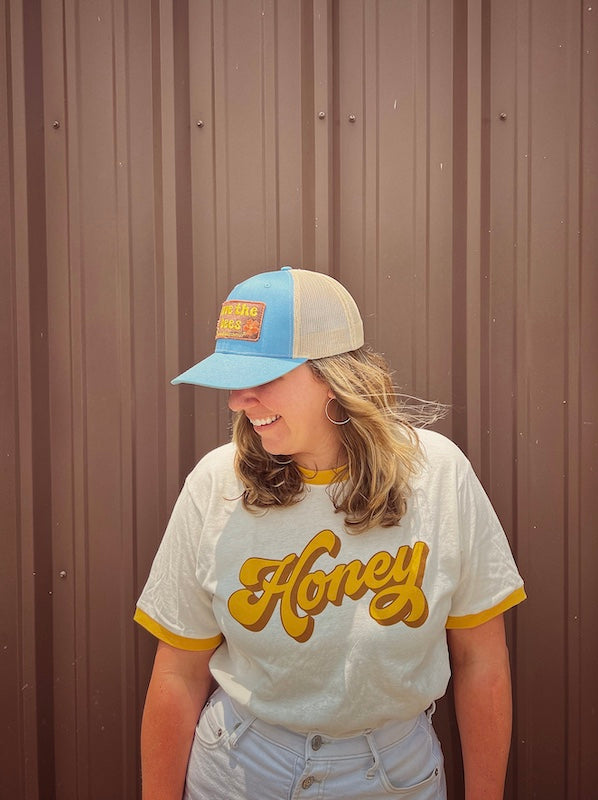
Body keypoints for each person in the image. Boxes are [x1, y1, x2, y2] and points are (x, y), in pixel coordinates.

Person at [134, 266, 526, 800]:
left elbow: (481, 660)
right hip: (239, 772)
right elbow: (178, 674)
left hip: (393, 776)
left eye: (264, 377)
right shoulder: (215, 483)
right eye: (232, 380)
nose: (236, 401)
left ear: (336, 378)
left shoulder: (437, 475)